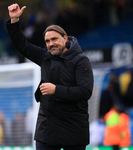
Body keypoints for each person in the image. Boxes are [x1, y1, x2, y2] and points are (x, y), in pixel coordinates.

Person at [6, 3, 94, 150]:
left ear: (65, 38)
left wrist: (56, 90)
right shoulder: (44, 56)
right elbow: (21, 44)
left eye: (54, 39)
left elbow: (85, 91)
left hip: (73, 128)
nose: (51, 44)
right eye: (47, 41)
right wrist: (14, 20)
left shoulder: (81, 60)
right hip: (46, 129)